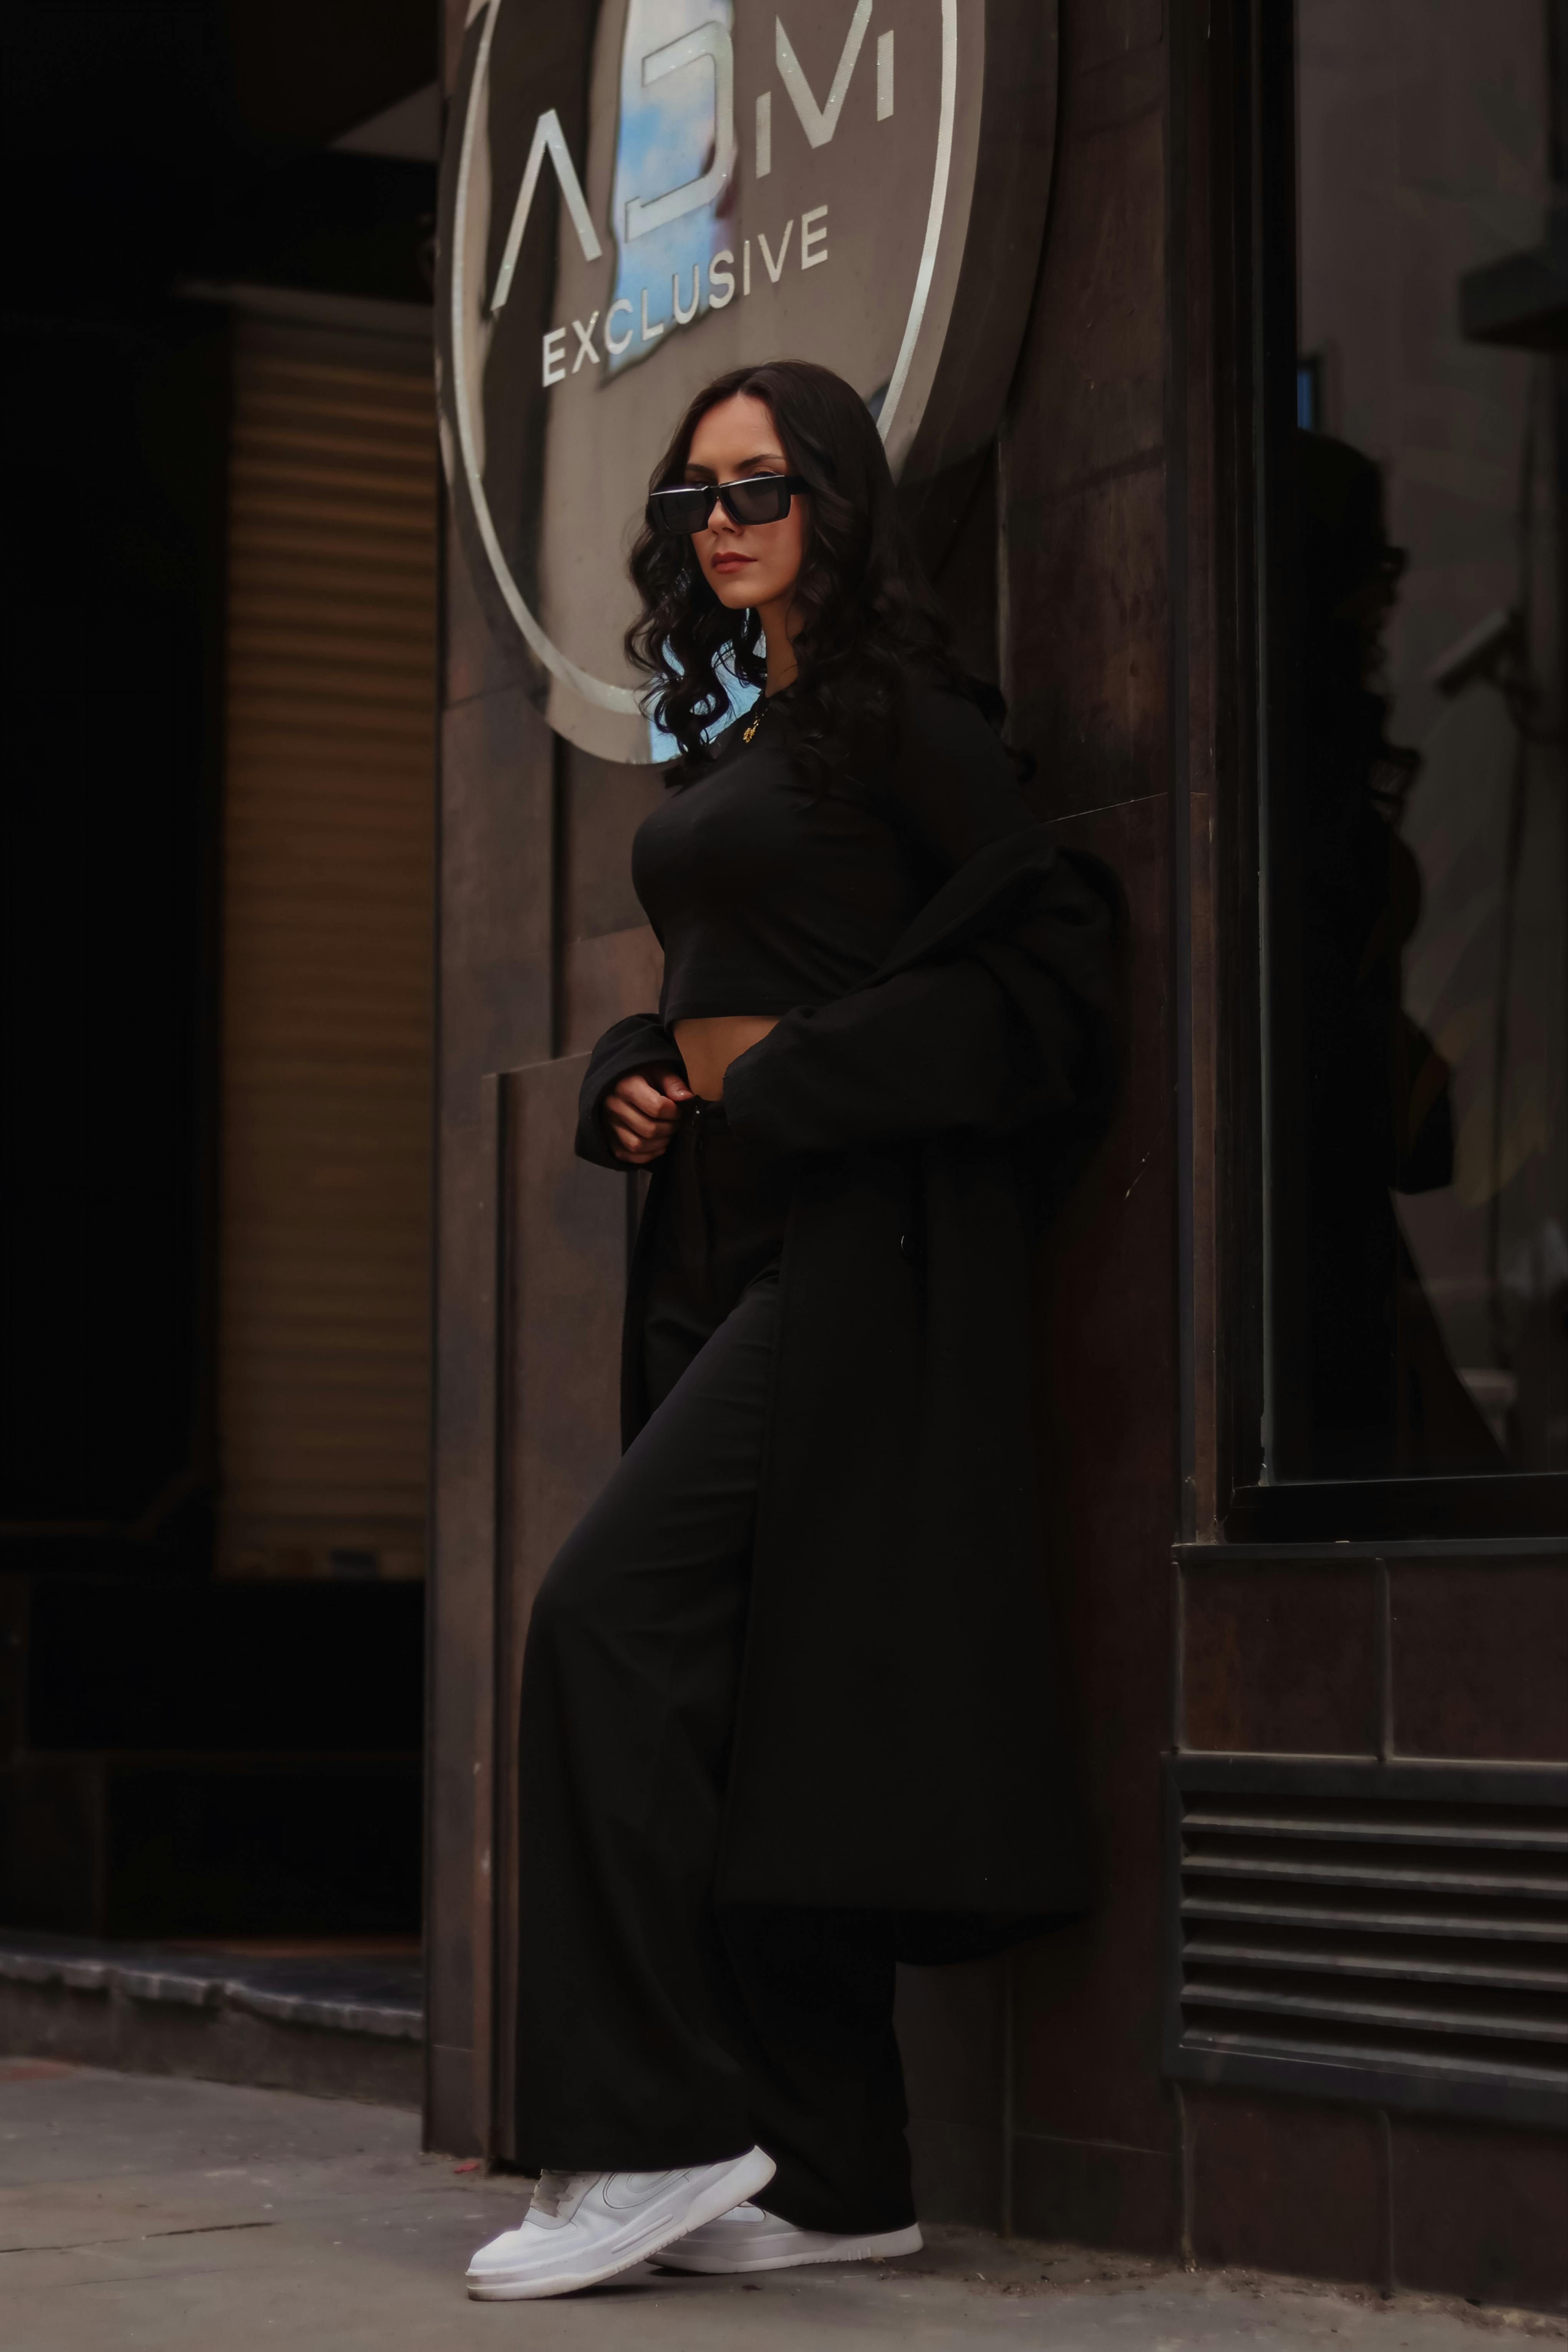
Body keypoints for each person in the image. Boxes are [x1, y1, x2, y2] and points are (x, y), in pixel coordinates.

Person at [464, 360, 1117, 2303]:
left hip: (860, 1264)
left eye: (760, 484)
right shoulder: (748, 726)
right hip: (730, 1251)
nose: (722, 519)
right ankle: (838, 2172)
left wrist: (798, 1084)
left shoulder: (911, 719)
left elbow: (1055, 965)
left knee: (597, 1620)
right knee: (766, 1700)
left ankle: (646, 2134)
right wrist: (637, 1076)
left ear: (838, 497)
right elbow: (715, 986)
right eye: (693, 495)